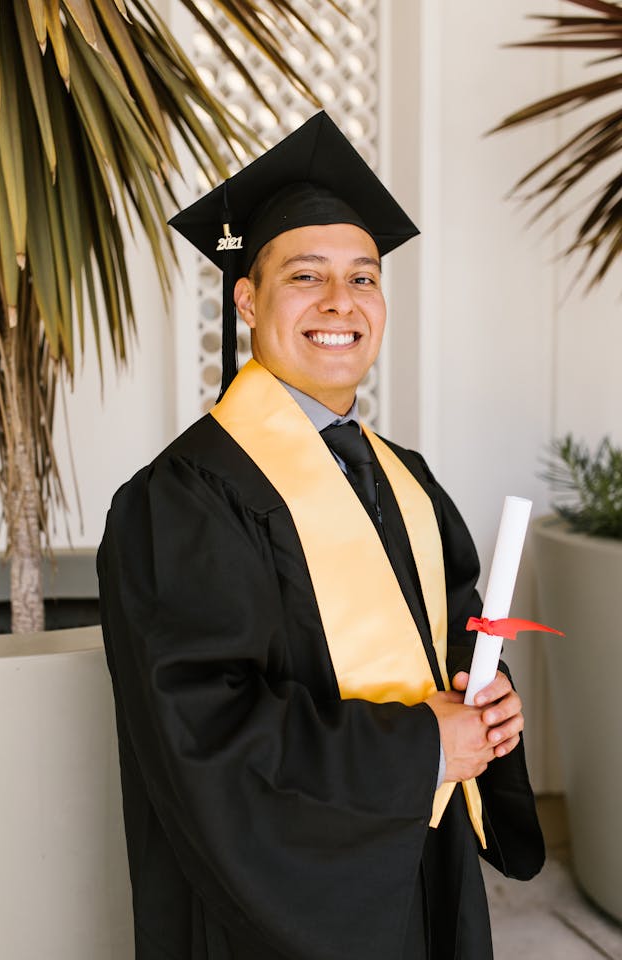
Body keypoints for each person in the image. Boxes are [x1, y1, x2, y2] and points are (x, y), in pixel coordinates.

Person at [97, 112, 544, 960]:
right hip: (278, 914)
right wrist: (417, 750)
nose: (342, 303)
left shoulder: (403, 475)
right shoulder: (185, 499)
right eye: (306, 276)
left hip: (420, 867)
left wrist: (488, 707)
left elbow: (452, 635)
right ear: (247, 299)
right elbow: (206, 733)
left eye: (363, 278)